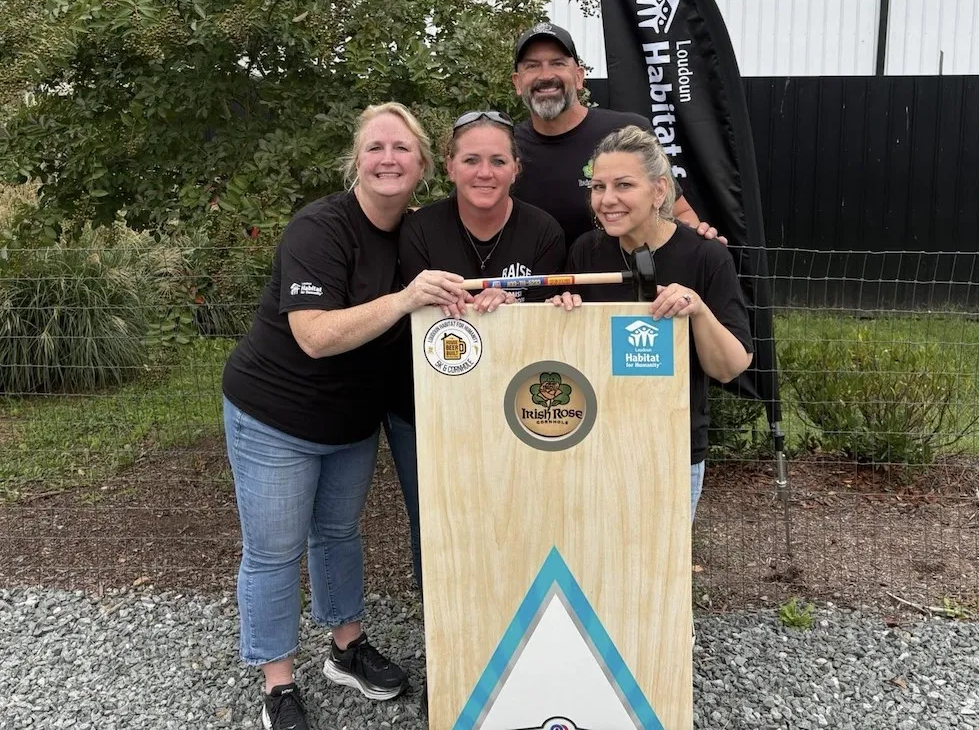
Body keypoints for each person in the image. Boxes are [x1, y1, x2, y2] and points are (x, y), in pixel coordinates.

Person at [220, 103, 467, 730]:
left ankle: (346, 647)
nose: (388, 158)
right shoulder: (320, 228)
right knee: (275, 551)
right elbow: (314, 335)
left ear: (423, 166)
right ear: (356, 160)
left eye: (402, 148)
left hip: (353, 421)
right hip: (276, 414)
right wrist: (406, 298)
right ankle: (278, 683)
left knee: (336, 535)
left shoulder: (419, 233)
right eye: (375, 147)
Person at [395, 108, 566, 586]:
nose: (484, 172)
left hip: (515, 404)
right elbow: (422, 316)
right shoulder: (419, 230)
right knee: (436, 517)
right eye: (471, 160)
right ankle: (442, 616)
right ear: (450, 167)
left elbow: (551, 329)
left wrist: (512, 310)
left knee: (516, 509)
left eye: (497, 161)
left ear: (516, 169)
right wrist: (476, 310)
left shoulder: (544, 231)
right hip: (429, 406)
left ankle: (514, 605)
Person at [549, 124, 753, 519]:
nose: (607, 199)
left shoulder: (707, 256)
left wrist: (697, 309)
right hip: (595, 441)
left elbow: (729, 367)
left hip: (672, 448)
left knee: (660, 558)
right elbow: (571, 352)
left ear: (659, 190)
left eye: (624, 185)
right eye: (598, 187)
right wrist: (562, 313)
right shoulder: (586, 252)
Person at [509, 21, 723, 247]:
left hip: (624, 270)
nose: (545, 75)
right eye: (532, 66)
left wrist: (699, 244)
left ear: (579, 77)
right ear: (517, 82)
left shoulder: (626, 132)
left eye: (558, 63)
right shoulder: (506, 149)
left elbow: (677, 212)